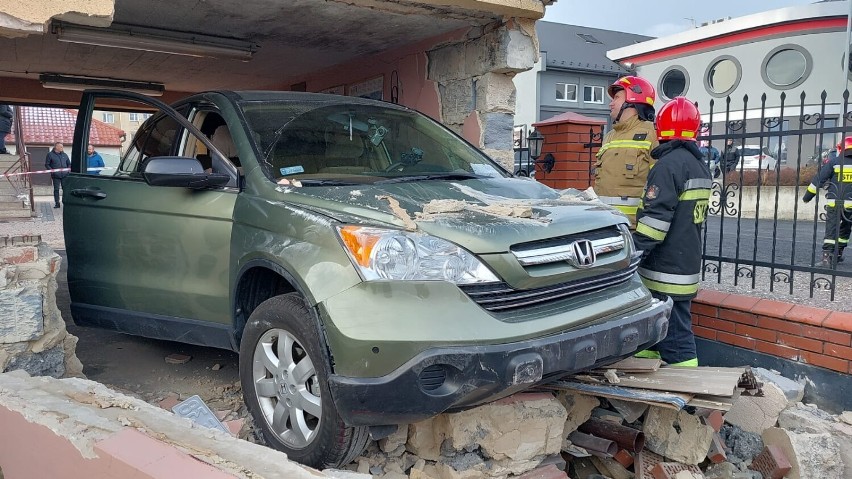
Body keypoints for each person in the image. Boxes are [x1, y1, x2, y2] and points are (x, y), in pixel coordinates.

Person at [632, 97, 712, 368]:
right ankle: (649, 374)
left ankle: (688, 395)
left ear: (661, 129)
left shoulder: (667, 166)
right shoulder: (698, 165)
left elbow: (655, 222)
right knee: (657, 331)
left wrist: (633, 251)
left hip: (664, 269)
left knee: (677, 336)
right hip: (685, 263)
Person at [594, 75, 658, 228]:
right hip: (603, 224)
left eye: (616, 97)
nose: (611, 103)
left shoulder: (652, 135)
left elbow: (659, 185)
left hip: (633, 228)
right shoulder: (609, 137)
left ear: (633, 99)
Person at [803, 135, 852, 267]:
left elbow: (818, 180)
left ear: (841, 148)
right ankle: (839, 253)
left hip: (834, 203)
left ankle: (827, 257)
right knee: (845, 229)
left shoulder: (834, 162)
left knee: (831, 229)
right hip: (851, 205)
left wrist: (807, 197)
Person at [45, 142, 71, 208]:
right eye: (61, 147)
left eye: (62, 147)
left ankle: (65, 202)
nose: (62, 148)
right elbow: (47, 164)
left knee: (65, 189)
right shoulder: (50, 155)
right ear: (56, 147)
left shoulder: (64, 155)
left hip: (65, 175)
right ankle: (57, 203)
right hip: (56, 176)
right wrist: (52, 171)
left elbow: (69, 163)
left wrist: (68, 170)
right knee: (56, 189)